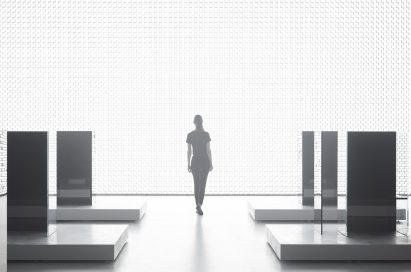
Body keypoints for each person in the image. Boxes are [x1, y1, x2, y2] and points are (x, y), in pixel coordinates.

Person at [187, 115, 213, 215]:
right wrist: (211, 163)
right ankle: (199, 204)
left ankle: (198, 204)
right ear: (202, 122)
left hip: (195, 161)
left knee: (196, 183)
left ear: (194, 122)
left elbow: (189, 151)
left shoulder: (190, 135)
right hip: (205, 161)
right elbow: (208, 150)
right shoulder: (206, 134)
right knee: (202, 184)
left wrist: (188, 164)